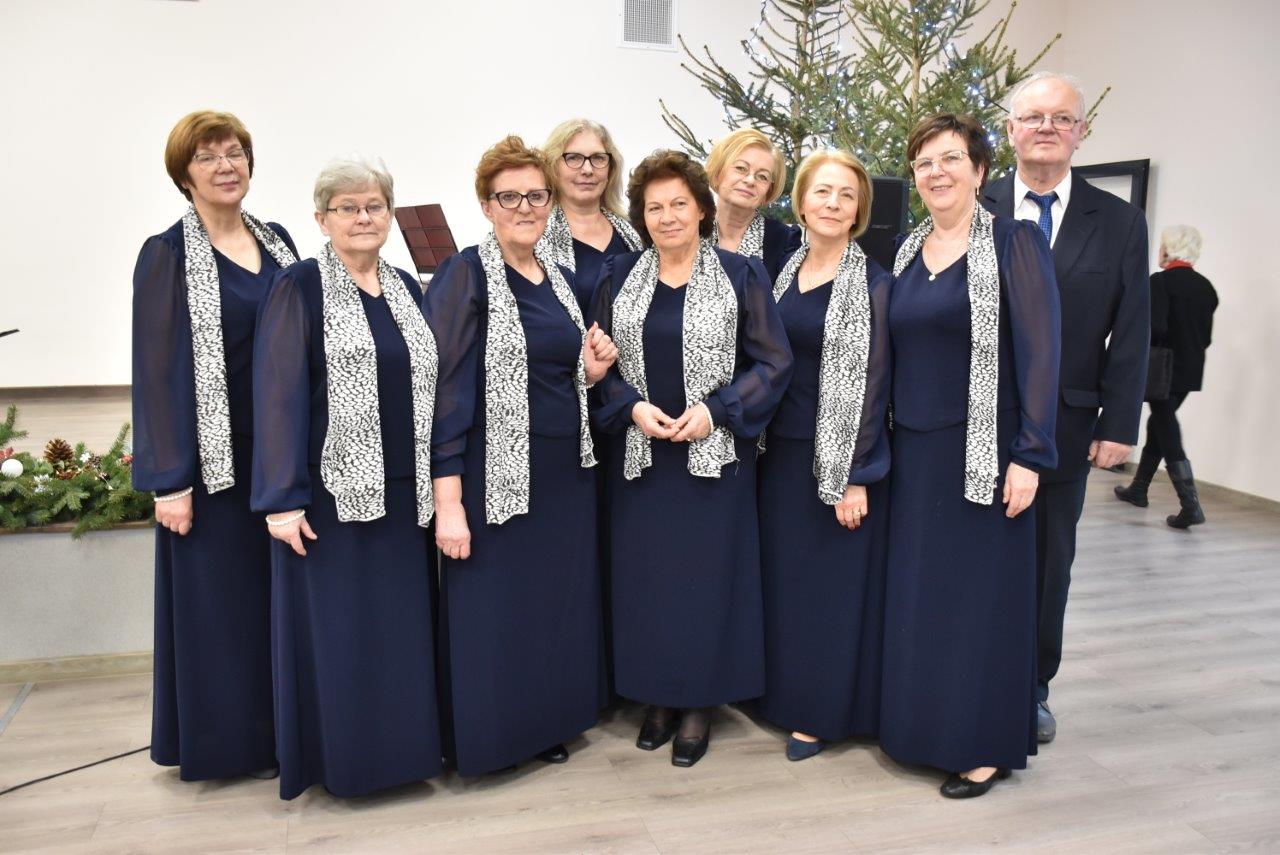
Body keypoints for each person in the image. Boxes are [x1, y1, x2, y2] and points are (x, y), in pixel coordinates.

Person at [589, 150, 794, 767]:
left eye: (679, 203)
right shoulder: (618, 276)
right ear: (642, 216)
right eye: (655, 207)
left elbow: (774, 363)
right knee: (649, 584)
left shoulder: (741, 274)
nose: (668, 216)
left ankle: (700, 703)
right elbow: (597, 364)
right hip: (642, 463)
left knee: (706, 585)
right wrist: (629, 407)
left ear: (702, 208)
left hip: (714, 462)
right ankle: (657, 698)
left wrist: (717, 410)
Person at [251, 156, 443, 800]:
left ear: (390, 214)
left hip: (404, 495)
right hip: (330, 498)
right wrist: (282, 498)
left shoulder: (407, 287)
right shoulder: (299, 286)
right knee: (342, 637)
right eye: (348, 208)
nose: (363, 218)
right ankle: (347, 767)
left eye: (374, 206)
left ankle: (402, 759)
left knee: (396, 636)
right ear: (321, 218)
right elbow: (277, 393)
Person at [880, 114, 1060, 798]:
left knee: (980, 605)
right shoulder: (905, 250)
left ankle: (982, 745)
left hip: (986, 452)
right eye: (924, 162)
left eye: (951, 158)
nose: (937, 172)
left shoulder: (1014, 242)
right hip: (914, 454)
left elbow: (1041, 353)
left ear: (980, 171)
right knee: (925, 598)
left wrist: (1031, 454)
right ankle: (921, 730)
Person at [424, 136, 615, 775]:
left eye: (536, 195)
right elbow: (445, 392)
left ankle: (543, 724)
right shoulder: (465, 274)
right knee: (496, 608)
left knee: (548, 605)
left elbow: (554, 373)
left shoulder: (558, 277)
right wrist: (449, 500)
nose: (525, 207)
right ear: (486, 206)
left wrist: (590, 372)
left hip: (565, 473)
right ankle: (492, 738)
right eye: (510, 197)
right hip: (495, 474)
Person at [981, 71, 1150, 744]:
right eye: (1032, 117)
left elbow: (1132, 329)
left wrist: (1120, 422)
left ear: (1081, 131)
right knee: (973, 554)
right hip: (973, 419)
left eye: (1061, 118)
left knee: (1049, 564)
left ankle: (1033, 687)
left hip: (1068, 425)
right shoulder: (976, 203)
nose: (1046, 128)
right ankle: (969, 674)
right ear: (1010, 130)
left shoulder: (1119, 222)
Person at [132, 110, 298, 782]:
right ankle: (229, 746)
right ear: (184, 176)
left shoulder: (279, 241)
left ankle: (285, 733)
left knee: (276, 603)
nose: (226, 166)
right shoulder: (166, 254)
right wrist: (169, 480)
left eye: (235, 152)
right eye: (208, 157)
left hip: (281, 457)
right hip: (211, 466)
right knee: (222, 609)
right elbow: (157, 371)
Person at [755, 149, 893, 760]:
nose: (833, 204)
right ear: (802, 202)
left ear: (859, 209)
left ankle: (819, 714)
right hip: (777, 455)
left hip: (835, 460)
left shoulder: (875, 284)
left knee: (829, 591)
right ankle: (780, 697)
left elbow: (876, 384)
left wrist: (857, 476)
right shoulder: (783, 272)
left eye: (846, 195)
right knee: (785, 584)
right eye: (822, 192)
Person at [1115, 225, 1217, 527]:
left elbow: (1156, 327)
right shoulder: (1206, 287)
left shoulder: (1160, 282)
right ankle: (1139, 489)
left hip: (1162, 369)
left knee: (1167, 427)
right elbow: (1206, 337)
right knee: (1159, 423)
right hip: (1190, 370)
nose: (1159, 251)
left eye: (1162, 246)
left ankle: (1190, 504)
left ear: (1170, 249)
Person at [540, 118, 643, 311]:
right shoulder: (537, 238)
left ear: (610, 169)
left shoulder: (634, 234)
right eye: (574, 158)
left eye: (598, 158)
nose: (587, 169)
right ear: (553, 167)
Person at [705, 128, 801, 281]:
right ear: (718, 173)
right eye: (741, 168)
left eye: (762, 176)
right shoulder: (690, 230)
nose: (750, 181)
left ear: (768, 191)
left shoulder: (783, 241)